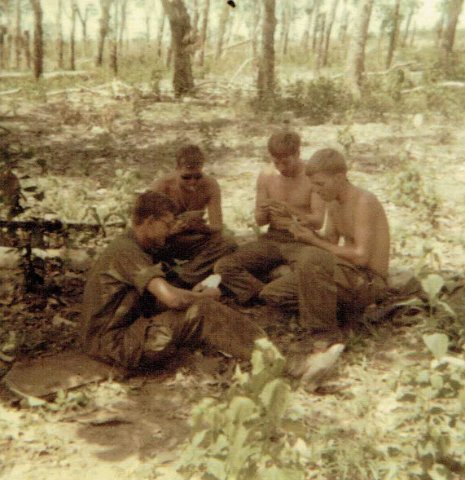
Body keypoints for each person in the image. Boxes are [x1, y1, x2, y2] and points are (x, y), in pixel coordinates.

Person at [80, 191, 265, 370]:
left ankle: (261, 350)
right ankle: (267, 356)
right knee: (203, 309)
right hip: (112, 342)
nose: (169, 232)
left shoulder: (134, 244)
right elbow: (173, 299)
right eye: (167, 225)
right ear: (150, 221)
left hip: (116, 335)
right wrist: (203, 297)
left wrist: (193, 293)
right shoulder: (126, 251)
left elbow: (155, 299)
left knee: (194, 305)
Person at [262, 148, 390, 336]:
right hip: (346, 274)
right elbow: (329, 242)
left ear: (339, 178)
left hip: (370, 281)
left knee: (310, 256)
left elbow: (361, 257)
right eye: (313, 185)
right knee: (273, 293)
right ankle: (339, 311)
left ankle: (323, 333)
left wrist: (313, 241)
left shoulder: (364, 202)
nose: (316, 190)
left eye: (320, 184)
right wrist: (304, 231)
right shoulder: (333, 202)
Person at [214, 131, 325, 304]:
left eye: (285, 162)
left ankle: (272, 290)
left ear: (297, 154)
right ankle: (265, 295)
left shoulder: (311, 176)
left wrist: (290, 210)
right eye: (276, 162)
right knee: (223, 266)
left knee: (311, 273)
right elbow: (261, 221)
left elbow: (318, 221)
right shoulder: (267, 175)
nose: (281, 167)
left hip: (302, 239)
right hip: (273, 238)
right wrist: (263, 211)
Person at [150, 144, 236, 286]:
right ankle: (177, 277)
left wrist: (201, 228)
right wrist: (171, 230)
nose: (193, 182)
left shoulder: (210, 185)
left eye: (198, 176)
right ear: (177, 169)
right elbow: (147, 230)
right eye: (186, 177)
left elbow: (217, 227)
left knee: (228, 243)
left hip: (191, 239)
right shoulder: (161, 186)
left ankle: (183, 279)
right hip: (164, 240)